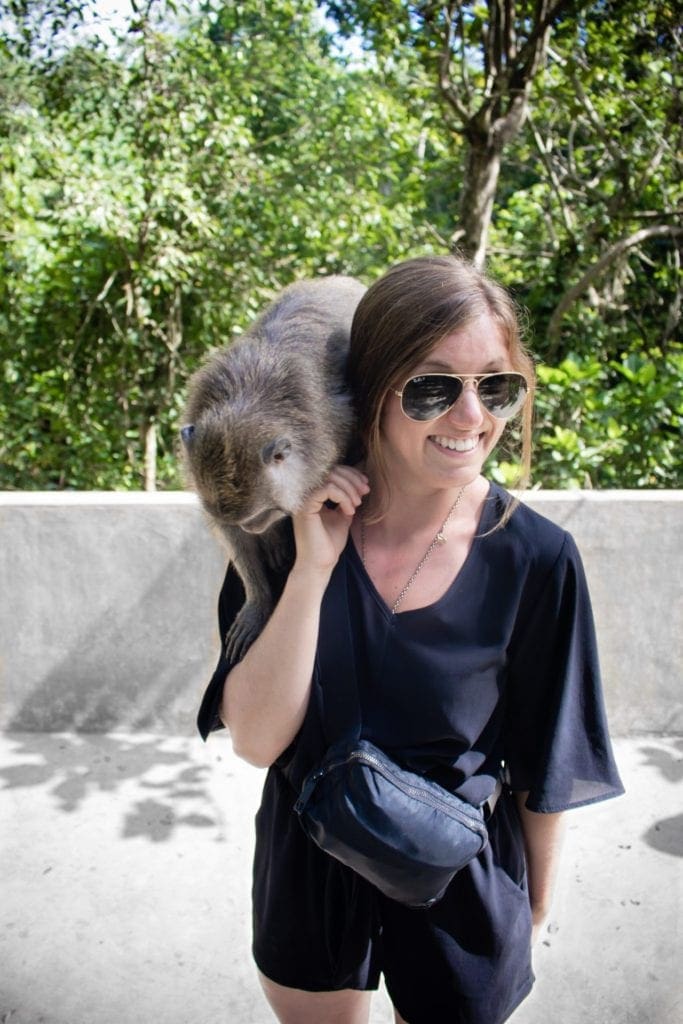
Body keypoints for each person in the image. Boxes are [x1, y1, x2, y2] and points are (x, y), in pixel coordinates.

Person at [197, 254, 624, 1024]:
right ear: (368, 392)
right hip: (309, 867)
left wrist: (530, 912)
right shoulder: (286, 529)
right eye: (433, 387)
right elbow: (257, 742)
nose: (471, 418)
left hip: (457, 868)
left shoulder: (536, 558)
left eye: (495, 386)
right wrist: (311, 572)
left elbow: (544, 762)